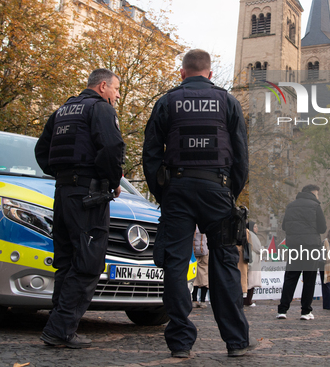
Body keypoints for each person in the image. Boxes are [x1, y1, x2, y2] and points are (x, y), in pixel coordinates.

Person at [142, 49, 251, 358]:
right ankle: (236, 342)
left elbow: (150, 153)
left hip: (177, 187)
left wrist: (163, 192)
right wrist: (231, 191)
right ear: (210, 73)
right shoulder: (228, 102)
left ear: (182, 73)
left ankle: (180, 342)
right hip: (217, 189)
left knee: (175, 264)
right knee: (225, 263)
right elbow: (242, 155)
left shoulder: (166, 101)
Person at [35, 68, 125, 348]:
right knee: (87, 262)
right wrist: (112, 181)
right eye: (116, 89)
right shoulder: (100, 109)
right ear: (102, 87)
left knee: (65, 261)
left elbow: (41, 150)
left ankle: (60, 328)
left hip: (63, 193)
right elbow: (111, 147)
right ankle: (59, 330)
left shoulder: (63, 110)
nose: (117, 95)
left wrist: (64, 173)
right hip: (88, 195)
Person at [276, 184, 327, 320]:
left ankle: (282, 310)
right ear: (312, 193)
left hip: (294, 247)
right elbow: (322, 228)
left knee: (290, 278)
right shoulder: (316, 206)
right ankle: (305, 311)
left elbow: (284, 226)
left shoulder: (290, 206)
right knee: (309, 279)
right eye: (317, 193)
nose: (318, 196)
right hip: (311, 247)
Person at [244, 222, 262, 306]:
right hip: (253, 261)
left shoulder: (248, 233)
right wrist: (263, 249)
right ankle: (248, 301)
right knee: (251, 282)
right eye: (255, 226)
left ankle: (247, 300)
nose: (256, 228)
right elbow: (258, 248)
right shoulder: (252, 235)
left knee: (249, 282)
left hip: (252, 260)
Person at [192, 226, 209, 308]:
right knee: (204, 276)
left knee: (194, 276)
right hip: (204, 252)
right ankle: (202, 300)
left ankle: (194, 300)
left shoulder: (192, 224)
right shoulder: (206, 223)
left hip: (193, 252)